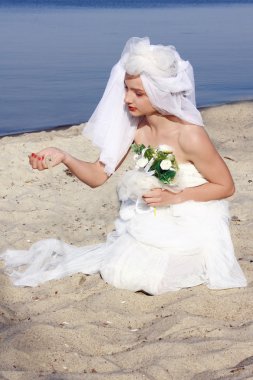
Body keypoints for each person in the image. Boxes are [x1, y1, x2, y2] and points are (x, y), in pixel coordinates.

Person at [0, 37, 247, 294]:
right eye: (127, 89)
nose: (128, 98)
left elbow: (225, 186)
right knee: (119, 270)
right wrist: (65, 157)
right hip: (151, 213)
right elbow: (98, 176)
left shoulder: (190, 135)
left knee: (152, 279)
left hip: (193, 215)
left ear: (160, 92)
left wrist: (175, 196)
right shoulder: (134, 127)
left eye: (138, 93)